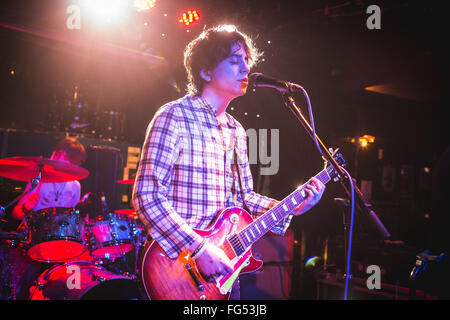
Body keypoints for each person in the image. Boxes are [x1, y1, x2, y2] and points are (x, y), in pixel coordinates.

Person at [132, 25, 326, 299]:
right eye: (235, 61)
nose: (245, 69)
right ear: (205, 71)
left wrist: (293, 206)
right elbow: (146, 196)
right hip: (177, 268)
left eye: (247, 61)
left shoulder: (236, 130)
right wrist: (198, 248)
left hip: (224, 273)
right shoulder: (174, 116)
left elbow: (244, 198)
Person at [12, 137, 87, 221]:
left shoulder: (75, 186)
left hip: (60, 232)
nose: (59, 158)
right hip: (34, 231)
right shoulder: (38, 179)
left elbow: (72, 219)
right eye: (58, 154)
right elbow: (16, 214)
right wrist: (26, 207)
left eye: (66, 157)